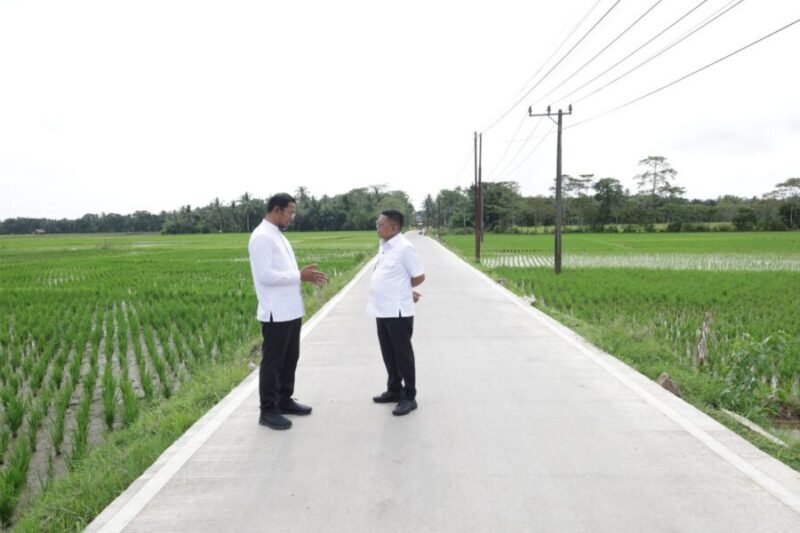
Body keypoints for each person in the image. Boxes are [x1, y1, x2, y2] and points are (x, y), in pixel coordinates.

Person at [248, 193, 327, 430]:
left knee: (290, 359)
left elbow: (283, 272)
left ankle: (284, 400)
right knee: (273, 363)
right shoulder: (261, 237)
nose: (292, 217)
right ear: (276, 210)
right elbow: (265, 275)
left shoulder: (277, 235)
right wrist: (298, 275)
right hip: (276, 312)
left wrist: (299, 275)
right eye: (290, 212)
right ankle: (268, 410)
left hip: (291, 310)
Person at [366, 209, 426, 416]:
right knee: (388, 352)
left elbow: (419, 276)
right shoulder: (384, 246)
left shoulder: (404, 248)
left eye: (380, 224)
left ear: (394, 228)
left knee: (402, 355)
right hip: (382, 308)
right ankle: (394, 389)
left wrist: (403, 290)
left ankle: (409, 396)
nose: (377, 227)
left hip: (398, 311)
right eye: (377, 224)